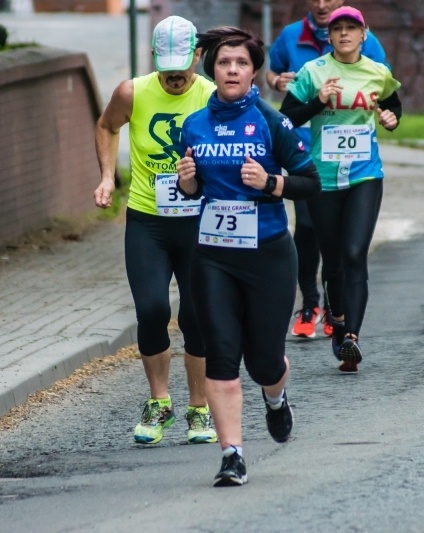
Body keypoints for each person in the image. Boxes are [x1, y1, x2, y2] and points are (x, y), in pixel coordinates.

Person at [176, 26, 320, 487]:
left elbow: (311, 182)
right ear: (211, 70)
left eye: (240, 63)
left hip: (269, 256)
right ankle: (232, 455)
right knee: (221, 354)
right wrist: (188, 182)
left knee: (264, 363)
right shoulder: (194, 125)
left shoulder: (271, 122)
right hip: (214, 256)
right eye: (223, 63)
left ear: (254, 71)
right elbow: (193, 191)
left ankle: (275, 399)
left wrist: (272, 184)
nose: (232, 70)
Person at [93, 16, 218, 446]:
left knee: (196, 315)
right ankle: (159, 400)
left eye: (182, 65)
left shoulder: (213, 95)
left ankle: (199, 408)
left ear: (198, 56)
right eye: (167, 67)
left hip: (199, 222)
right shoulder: (133, 91)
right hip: (148, 219)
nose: (175, 75)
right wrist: (109, 176)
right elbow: (107, 126)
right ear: (154, 60)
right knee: (150, 309)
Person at [280, 6, 402, 373]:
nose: (345, 34)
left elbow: (393, 104)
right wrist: (318, 100)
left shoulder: (378, 73)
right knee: (332, 260)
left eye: (352, 28)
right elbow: (287, 117)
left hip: (365, 175)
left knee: (353, 253)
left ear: (364, 35)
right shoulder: (312, 72)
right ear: (329, 37)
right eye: (338, 30)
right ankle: (338, 321)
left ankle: (352, 336)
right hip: (324, 178)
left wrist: (392, 118)